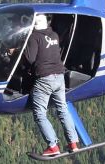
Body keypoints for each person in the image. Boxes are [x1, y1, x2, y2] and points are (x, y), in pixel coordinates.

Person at [23, 14, 79, 156]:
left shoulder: (34, 36)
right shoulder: (54, 35)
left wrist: (20, 51)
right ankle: (73, 142)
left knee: (40, 114)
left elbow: (29, 59)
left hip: (45, 80)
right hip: (60, 77)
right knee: (62, 109)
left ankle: (53, 146)